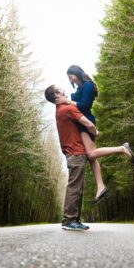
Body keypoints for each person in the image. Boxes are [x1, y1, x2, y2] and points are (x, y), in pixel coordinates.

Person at [55, 65, 132, 202]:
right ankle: (100, 186)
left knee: (91, 154)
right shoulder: (79, 88)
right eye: (68, 76)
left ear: (77, 73)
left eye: (70, 74)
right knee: (92, 157)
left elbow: (84, 106)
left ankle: (122, 148)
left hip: (86, 123)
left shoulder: (88, 85)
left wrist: (67, 101)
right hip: (81, 124)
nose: (69, 78)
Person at [45, 84, 95, 231]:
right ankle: (69, 220)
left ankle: (74, 220)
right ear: (57, 96)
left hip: (71, 152)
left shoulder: (59, 110)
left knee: (76, 187)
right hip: (76, 152)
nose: (65, 91)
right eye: (61, 90)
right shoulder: (67, 109)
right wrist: (95, 131)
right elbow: (88, 123)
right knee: (75, 187)